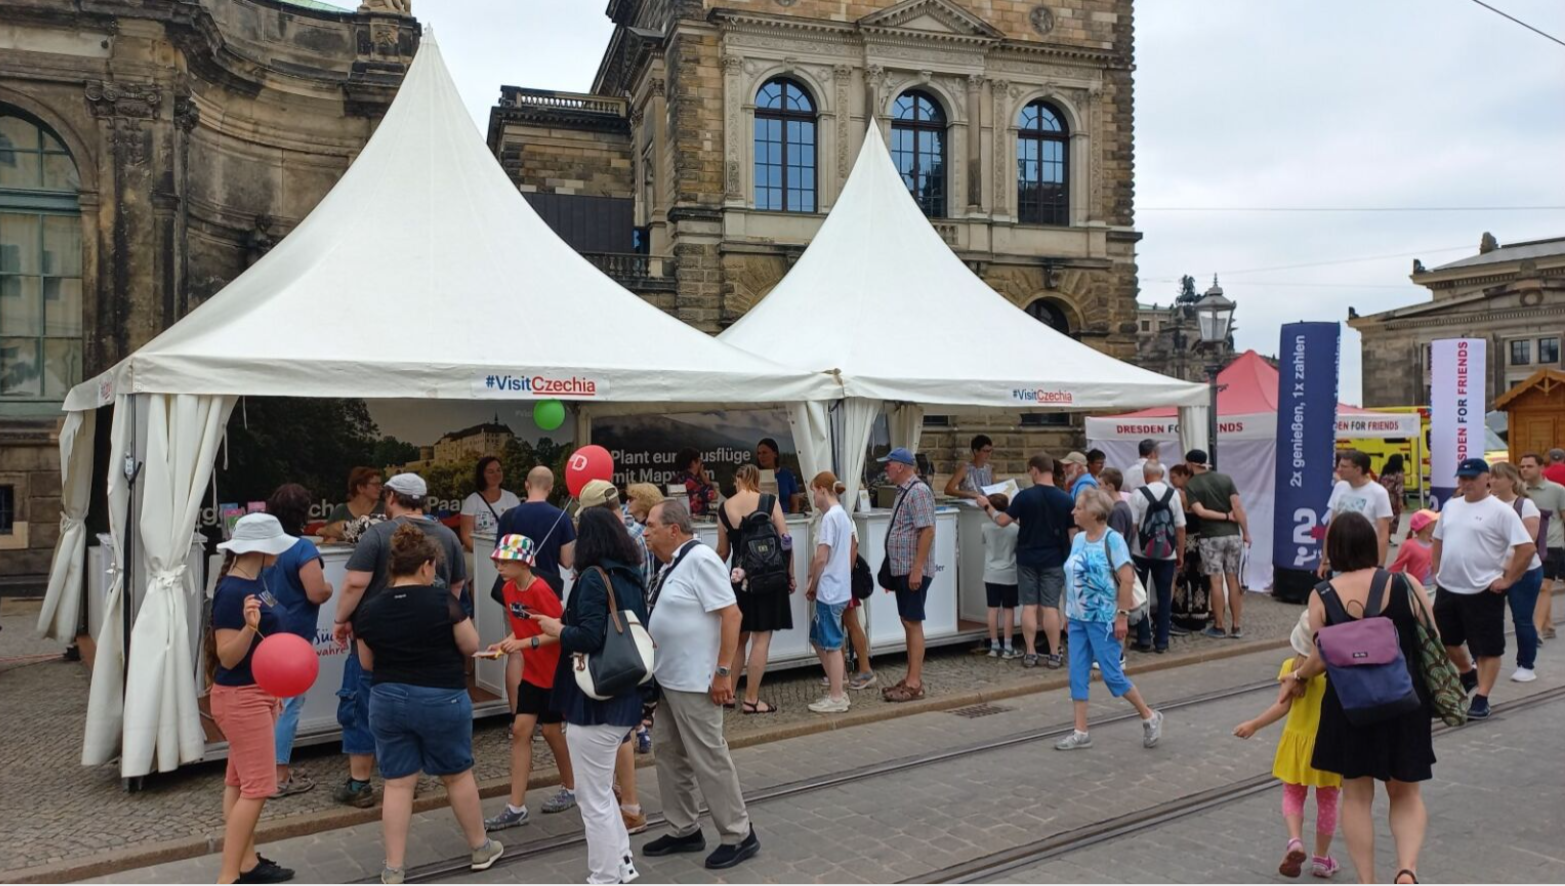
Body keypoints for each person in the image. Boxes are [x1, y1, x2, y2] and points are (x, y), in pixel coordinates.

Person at [1284, 511, 1435, 886]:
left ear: (1333, 550)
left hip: (1350, 705)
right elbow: (1433, 634)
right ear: (1372, 543)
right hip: (1404, 697)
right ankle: (1406, 871)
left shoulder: (1321, 595)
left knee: (1355, 796)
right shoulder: (1405, 583)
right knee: (1405, 793)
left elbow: (1319, 656)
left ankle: (1367, 881)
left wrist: (1297, 676)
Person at [353, 524, 501, 883]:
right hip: (440, 697)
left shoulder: (369, 610)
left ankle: (393, 867)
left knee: (398, 784)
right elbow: (471, 644)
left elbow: (367, 663)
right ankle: (480, 847)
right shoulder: (443, 602)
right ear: (426, 566)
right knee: (456, 774)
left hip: (387, 699)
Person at [331, 473, 468, 809]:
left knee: (363, 704)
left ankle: (360, 784)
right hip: (431, 645)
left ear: (391, 497)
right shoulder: (448, 536)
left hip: (377, 640)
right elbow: (456, 589)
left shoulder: (377, 535)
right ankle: (409, 777)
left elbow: (354, 584)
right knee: (416, 709)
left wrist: (340, 620)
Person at [530, 508, 648, 885]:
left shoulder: (594, 578)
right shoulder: (629, 574)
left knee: (591, 797)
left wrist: (557, 628)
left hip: (595, 698)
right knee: (599, 791)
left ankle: (604, 876)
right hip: (624, 691)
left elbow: (589, 637)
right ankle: (623, 863)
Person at [641, 500, 761, 870]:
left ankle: (739, 834)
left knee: (709, 757)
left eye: (650, 525)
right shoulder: (671, 564)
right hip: (670, 679)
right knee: (669, 753)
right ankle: (684, 829)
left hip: (697, 681)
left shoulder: (701, 560)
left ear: (673, 530)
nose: (644, 531)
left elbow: (732, 614)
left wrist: (723, 672)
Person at [208, 514, 296, 885]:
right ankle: (229, 876)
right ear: (259, 549)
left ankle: (245, 863)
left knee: (239, 782)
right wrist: (250, 628)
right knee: (258, 787)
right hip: (243, 697)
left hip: (253, 694)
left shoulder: (254, 579)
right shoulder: (232, 592)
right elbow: (227, 655)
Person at [1052, 489, 1164, 752]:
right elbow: (1071, 576)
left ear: (1094, 513)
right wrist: (1067, 612)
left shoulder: (1113, 540)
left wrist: (1121, 617)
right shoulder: (1078, 539)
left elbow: (1126, 579)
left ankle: (1149, 715)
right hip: (1078, 618)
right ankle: (1080, 732)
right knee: (1076, 674)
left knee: (1113, 676)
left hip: (1104, 619)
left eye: (1078, 508)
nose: (1073, 512)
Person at [1232, 612, 1342, 879]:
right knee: (1327, 801)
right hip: (1329, 745)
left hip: (1295, 744)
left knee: (1293, 795)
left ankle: (1295, 840)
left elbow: (1281, 706)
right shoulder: (1338, 669)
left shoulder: (1290, 668)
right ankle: (1321, 858)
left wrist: (1255, 724)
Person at [481, 534, 574, 833]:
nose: (499, 566)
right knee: (521, 731)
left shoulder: (542, 590)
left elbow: (559, 631)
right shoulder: (508, 590)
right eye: (498, 560)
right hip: (532, 673)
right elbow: (520, 630)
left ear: (524, 563)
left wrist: (522, 643)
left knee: (550, 731)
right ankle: (515, 806)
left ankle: (570, 787)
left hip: (555, 672)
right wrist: (504, 644)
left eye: (505, 561)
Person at [1430, 458, 1535, 719]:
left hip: (1483, 590)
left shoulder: (1500, 511)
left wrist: (1508, 580)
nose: (1466, 484)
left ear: (1486, 478)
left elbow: (1527, 548)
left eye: (1471, 479)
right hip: (1449, 587)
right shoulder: (1451, 506)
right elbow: (1438, 539)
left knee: (1488, 647)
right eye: (1462, 479)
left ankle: (1482, 696)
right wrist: (1436, 570)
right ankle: (1467, 673)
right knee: (1446, 640)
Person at [576, 480, 650, 832]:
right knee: (622, 733)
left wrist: (558, 629)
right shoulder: (635, 543)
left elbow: (590, 632)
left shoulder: (596, 567)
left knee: (610, 741)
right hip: (632, 655)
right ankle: (628, 805)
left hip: (606, 664)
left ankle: (623, 811)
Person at [263, 484, 333, 798]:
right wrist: (329, 588)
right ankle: (278, 775)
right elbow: (316, 592)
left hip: (264, 633)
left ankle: (263, 768)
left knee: (267, 704)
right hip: (294, 638)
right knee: (288, 706)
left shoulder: (265, 545)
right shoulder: (303, 549)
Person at [979, 454, 1073, 668]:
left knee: (1029, 606)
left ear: (1034, 470)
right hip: (1054, 559)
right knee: (1050, 607)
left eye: (1030, 471)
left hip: (1027, 558)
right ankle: (1053, 653)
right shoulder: (1066, 499)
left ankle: (1030, 652)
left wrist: (987, 506)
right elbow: (1073, 534)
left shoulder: (1023, 497)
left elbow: (1002, 521)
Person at [717, 464, 794, 714]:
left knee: (739, 639)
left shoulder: (724, 508)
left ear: (737, 479)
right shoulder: (769, 501)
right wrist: (789, 573)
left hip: (740, 580)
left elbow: (723, 551)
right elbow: (785, 539)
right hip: (769, 579)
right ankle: (751, 700)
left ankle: (728, 693)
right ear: (758, 479)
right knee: (762, 638)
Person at [877, 447, 937, 702]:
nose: (885, 468)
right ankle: (911, 677)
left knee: (912, 622)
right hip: (903, 568)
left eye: (888, 464)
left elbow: (927, 531)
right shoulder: (907, 491)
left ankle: (914, 682)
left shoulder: (919, 491)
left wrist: (917, 568)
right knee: (907, 620)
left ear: (901, 466)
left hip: (912, 569)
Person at [804, 472, 857, 712]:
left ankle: (837, 695)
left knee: (832, 643)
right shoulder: (842, 516)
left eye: (814, 491)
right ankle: (838, 686)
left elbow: (821, 557)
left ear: (823, 490)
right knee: (818, 638)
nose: (812, 496)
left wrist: (812, 584)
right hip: (839, 587)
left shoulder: (829, 518)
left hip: (830, 589)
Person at [1489, 461, 1545, 684]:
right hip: (1492, 571)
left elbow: (1527, 543)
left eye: (1497, 477)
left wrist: (1507, 570)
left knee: (1521, 619)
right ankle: (1482, 657)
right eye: (1490, 477)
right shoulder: (1488, 504)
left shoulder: (1525, 505)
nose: (1492, 481)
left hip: (1524, 572)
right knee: (1487, 618)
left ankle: (1526, 664)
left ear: (1511, 481)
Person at [1185, 449, 1250, 639]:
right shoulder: (1225, 479)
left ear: (1190, 464)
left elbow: (1201, 512)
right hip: (1233, 535)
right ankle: (1237, 626)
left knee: (1216, 581)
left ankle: (1219, 625)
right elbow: (1237, 506)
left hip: (1211, 536)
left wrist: (1223, 517)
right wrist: (1245, 531)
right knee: (1233, 579)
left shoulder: (1192, 485)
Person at [1129, 462, 1186, 654]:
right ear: (1162, 475)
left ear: (1145, 476)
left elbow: (1133, 526)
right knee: (1163, 596)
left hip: (1140, 552)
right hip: (1167, 553)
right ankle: (1162, 641)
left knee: (1140, 595)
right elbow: (1180, 528)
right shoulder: (1174, 495)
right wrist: (1180, 553)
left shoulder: (1138, 494)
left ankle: (1144, 638)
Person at [495, 467, 576, 598]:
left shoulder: (508, 516)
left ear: (527, 484)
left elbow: (499, 560)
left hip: (515, 591)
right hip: (548, 591)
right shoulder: (562, 518)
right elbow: (567, 561)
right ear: (550, 487)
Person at [1518, 451, 1565, 641]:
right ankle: (1548, 623)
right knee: (1536, 586)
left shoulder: (1557, 490)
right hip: (1525, 544)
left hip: (1551, 543)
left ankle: (1535, 630)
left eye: (1529, 466)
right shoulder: (1519, 490)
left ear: (1541, 468)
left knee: (1544, 586)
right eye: (1522, 466)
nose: (1525, 470)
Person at [1321, 450, 1394, 571]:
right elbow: (1331, 525)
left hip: (1364, 560)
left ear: (1358, 470)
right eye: (1339, 465)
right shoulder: (1340, 487)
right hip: (1340, 558)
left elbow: (1383, 535)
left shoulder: (1379, 493)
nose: (1339, 469)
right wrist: (1325, 560)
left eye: (1344, 466)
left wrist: (1379, 566)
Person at [980, 491, 1020, 659]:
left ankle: (994, 645)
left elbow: (983, 543)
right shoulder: (1015, 529)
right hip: (1009, 573)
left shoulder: (985, 527)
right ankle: (1009, 645)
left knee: (992, 608)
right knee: (1009, 609)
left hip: (990, 572)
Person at [459, 456, 521, 553]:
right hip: (478, 552)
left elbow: (518, 531)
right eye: (491, 472)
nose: (496, 474)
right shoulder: (472, 501)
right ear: (482, 475)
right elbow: (466, 536)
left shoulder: (511, 498)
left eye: (499, 470)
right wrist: (483, 554)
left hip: (506, 552)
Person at [319, 467, 384, 542]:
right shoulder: (340, 511)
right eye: (376, 484)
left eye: (380, 484)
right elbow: (325, 536)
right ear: (360, 487)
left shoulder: (385, 509)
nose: (380, 488)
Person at [623, 482, 666, 588]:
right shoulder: (632, 526)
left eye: (632, 499)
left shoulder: (647, 531)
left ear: (644, 501)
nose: (627, 502)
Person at [1388, 510, 1438, 586]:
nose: (1438, 525)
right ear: (1427, 527)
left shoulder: (1435, 544)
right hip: (1416, 589)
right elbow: (1396, 567)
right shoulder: (1409, 546)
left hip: (1435, 588)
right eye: (1435, 523)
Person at [755, 437, 802, 514]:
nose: (761, 456)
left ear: (775, 454)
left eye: (764, 453)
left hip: (785, 519)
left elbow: (794, 504)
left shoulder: (787, 475)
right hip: (761, 520)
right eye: (759, 453)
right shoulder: (754, 475)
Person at [944, 434, 996, 501]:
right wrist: (968, 493)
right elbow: (948, 489)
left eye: (990, 451)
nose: (989, 454)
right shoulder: (965, 469)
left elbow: (995, 490)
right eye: (985, 451)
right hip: (969, 507)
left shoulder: (990, 469)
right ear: (976, 451)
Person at [674, 448, 718, 518]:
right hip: (696, 522)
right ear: (693, 463)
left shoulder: (675, 479)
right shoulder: (696, 483)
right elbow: (714, 495)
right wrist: (704, 478)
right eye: (699, 460)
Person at [1378, 453, 1407, 532]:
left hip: (1382, 497)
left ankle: (1383, 533)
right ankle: (1389, 535)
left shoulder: (1385, 470)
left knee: (1383, 515)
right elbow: (1399, 487)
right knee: (1393, 517)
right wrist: (1400, 500)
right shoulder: (1399, 473)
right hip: (1393, 498)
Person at [1101, 468, 1134, 532]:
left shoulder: (1117, 511)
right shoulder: (1120, 506)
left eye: (1100, 484)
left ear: (1110, 487)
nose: (1098, 488)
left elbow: (1116, 539)